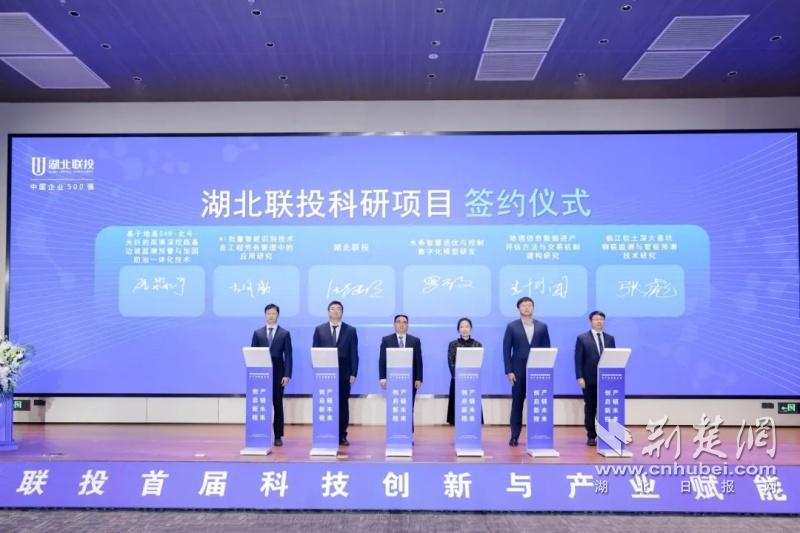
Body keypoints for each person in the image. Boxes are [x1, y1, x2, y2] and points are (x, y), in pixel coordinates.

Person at [503, 296, 551, 447]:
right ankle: (514, 436)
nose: (527, 308)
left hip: (538, 371)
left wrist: (546, 369)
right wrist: (509, 371)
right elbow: (506, 350)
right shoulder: (512, 326)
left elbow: (547, 349)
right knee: (517, 403)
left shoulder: (542, 326)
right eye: (523, 305)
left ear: (533, 308)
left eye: (529, 305)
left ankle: (538, 434)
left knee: (538, 403)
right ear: (519, 308)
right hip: (518, 371)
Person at [312, 300, 359, 446]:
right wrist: (316, 371)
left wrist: (353, 373)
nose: (335, 311)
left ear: (342, 312)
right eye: (332, 308)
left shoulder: (350, 330)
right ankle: (325, 432)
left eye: (338, 308)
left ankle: (342, 435)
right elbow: (315, 352)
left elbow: (354, 353)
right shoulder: (319, 329)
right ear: (328, 312)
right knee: (326, 404)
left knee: (342, 405)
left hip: (344, 374)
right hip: (324, 375)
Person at [250, 303, 293, 447]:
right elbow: (253, 354)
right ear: (265, 315)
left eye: (274, 313)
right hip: (261, 374)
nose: (271, 316)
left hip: (278, 374)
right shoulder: (257, 333)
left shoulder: (284, 333)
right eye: (268, 313)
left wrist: (287, 375)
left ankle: (278, 436)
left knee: (277, 404)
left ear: (277, 315)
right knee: (261, 404)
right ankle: (260, 433)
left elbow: (288, 355)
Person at [574, 310, 616, 446]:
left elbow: (614, 359)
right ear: (590, 321)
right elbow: (578, 360)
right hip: (589, 379)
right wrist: (580, 377)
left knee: (605, 408)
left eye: (601, 319)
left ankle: (606, 435)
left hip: (607, 380)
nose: (599, 321)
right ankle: (591, 435)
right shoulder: (582, 338)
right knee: (591, 408)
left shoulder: (610, 338)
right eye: (596, 319)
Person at [378, 314, 423, 431]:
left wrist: (419, 378)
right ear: (394, 324)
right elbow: (382, 360)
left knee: (408, 406)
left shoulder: (415, 340)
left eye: (404, 322)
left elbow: (418, 361)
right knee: (394, 406)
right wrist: (382, 378)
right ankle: (394, 431)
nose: (401, 324)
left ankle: (408, 432)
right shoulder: (386, 340)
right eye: (398, 322)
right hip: (392, 379)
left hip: (410, 380)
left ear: (407, 325)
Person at [446, 317, 483, 426]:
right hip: (457, 380)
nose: (464, 329)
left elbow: (478, 362)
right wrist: (456, 376)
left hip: (472, 380)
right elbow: (451, 362)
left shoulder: (477, 344)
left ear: (471, 329)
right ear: (458, 329)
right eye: (462, 327)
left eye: (467, 326)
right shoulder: (453, 344)